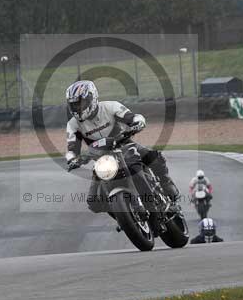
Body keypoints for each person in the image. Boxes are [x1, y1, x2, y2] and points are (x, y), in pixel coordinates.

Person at [65, 80, 181, 213]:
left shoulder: (110, 107)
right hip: (101, 158)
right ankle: (124, 215)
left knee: (154, 157)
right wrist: (72, 159)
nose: (78, 108)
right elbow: (71, 148)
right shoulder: (73, 124)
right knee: (94, 202)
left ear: (92, 97)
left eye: (80, 103)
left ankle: (167, 184)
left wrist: (137, 122)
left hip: (124, 145)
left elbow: (131, 117)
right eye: (74, 105)